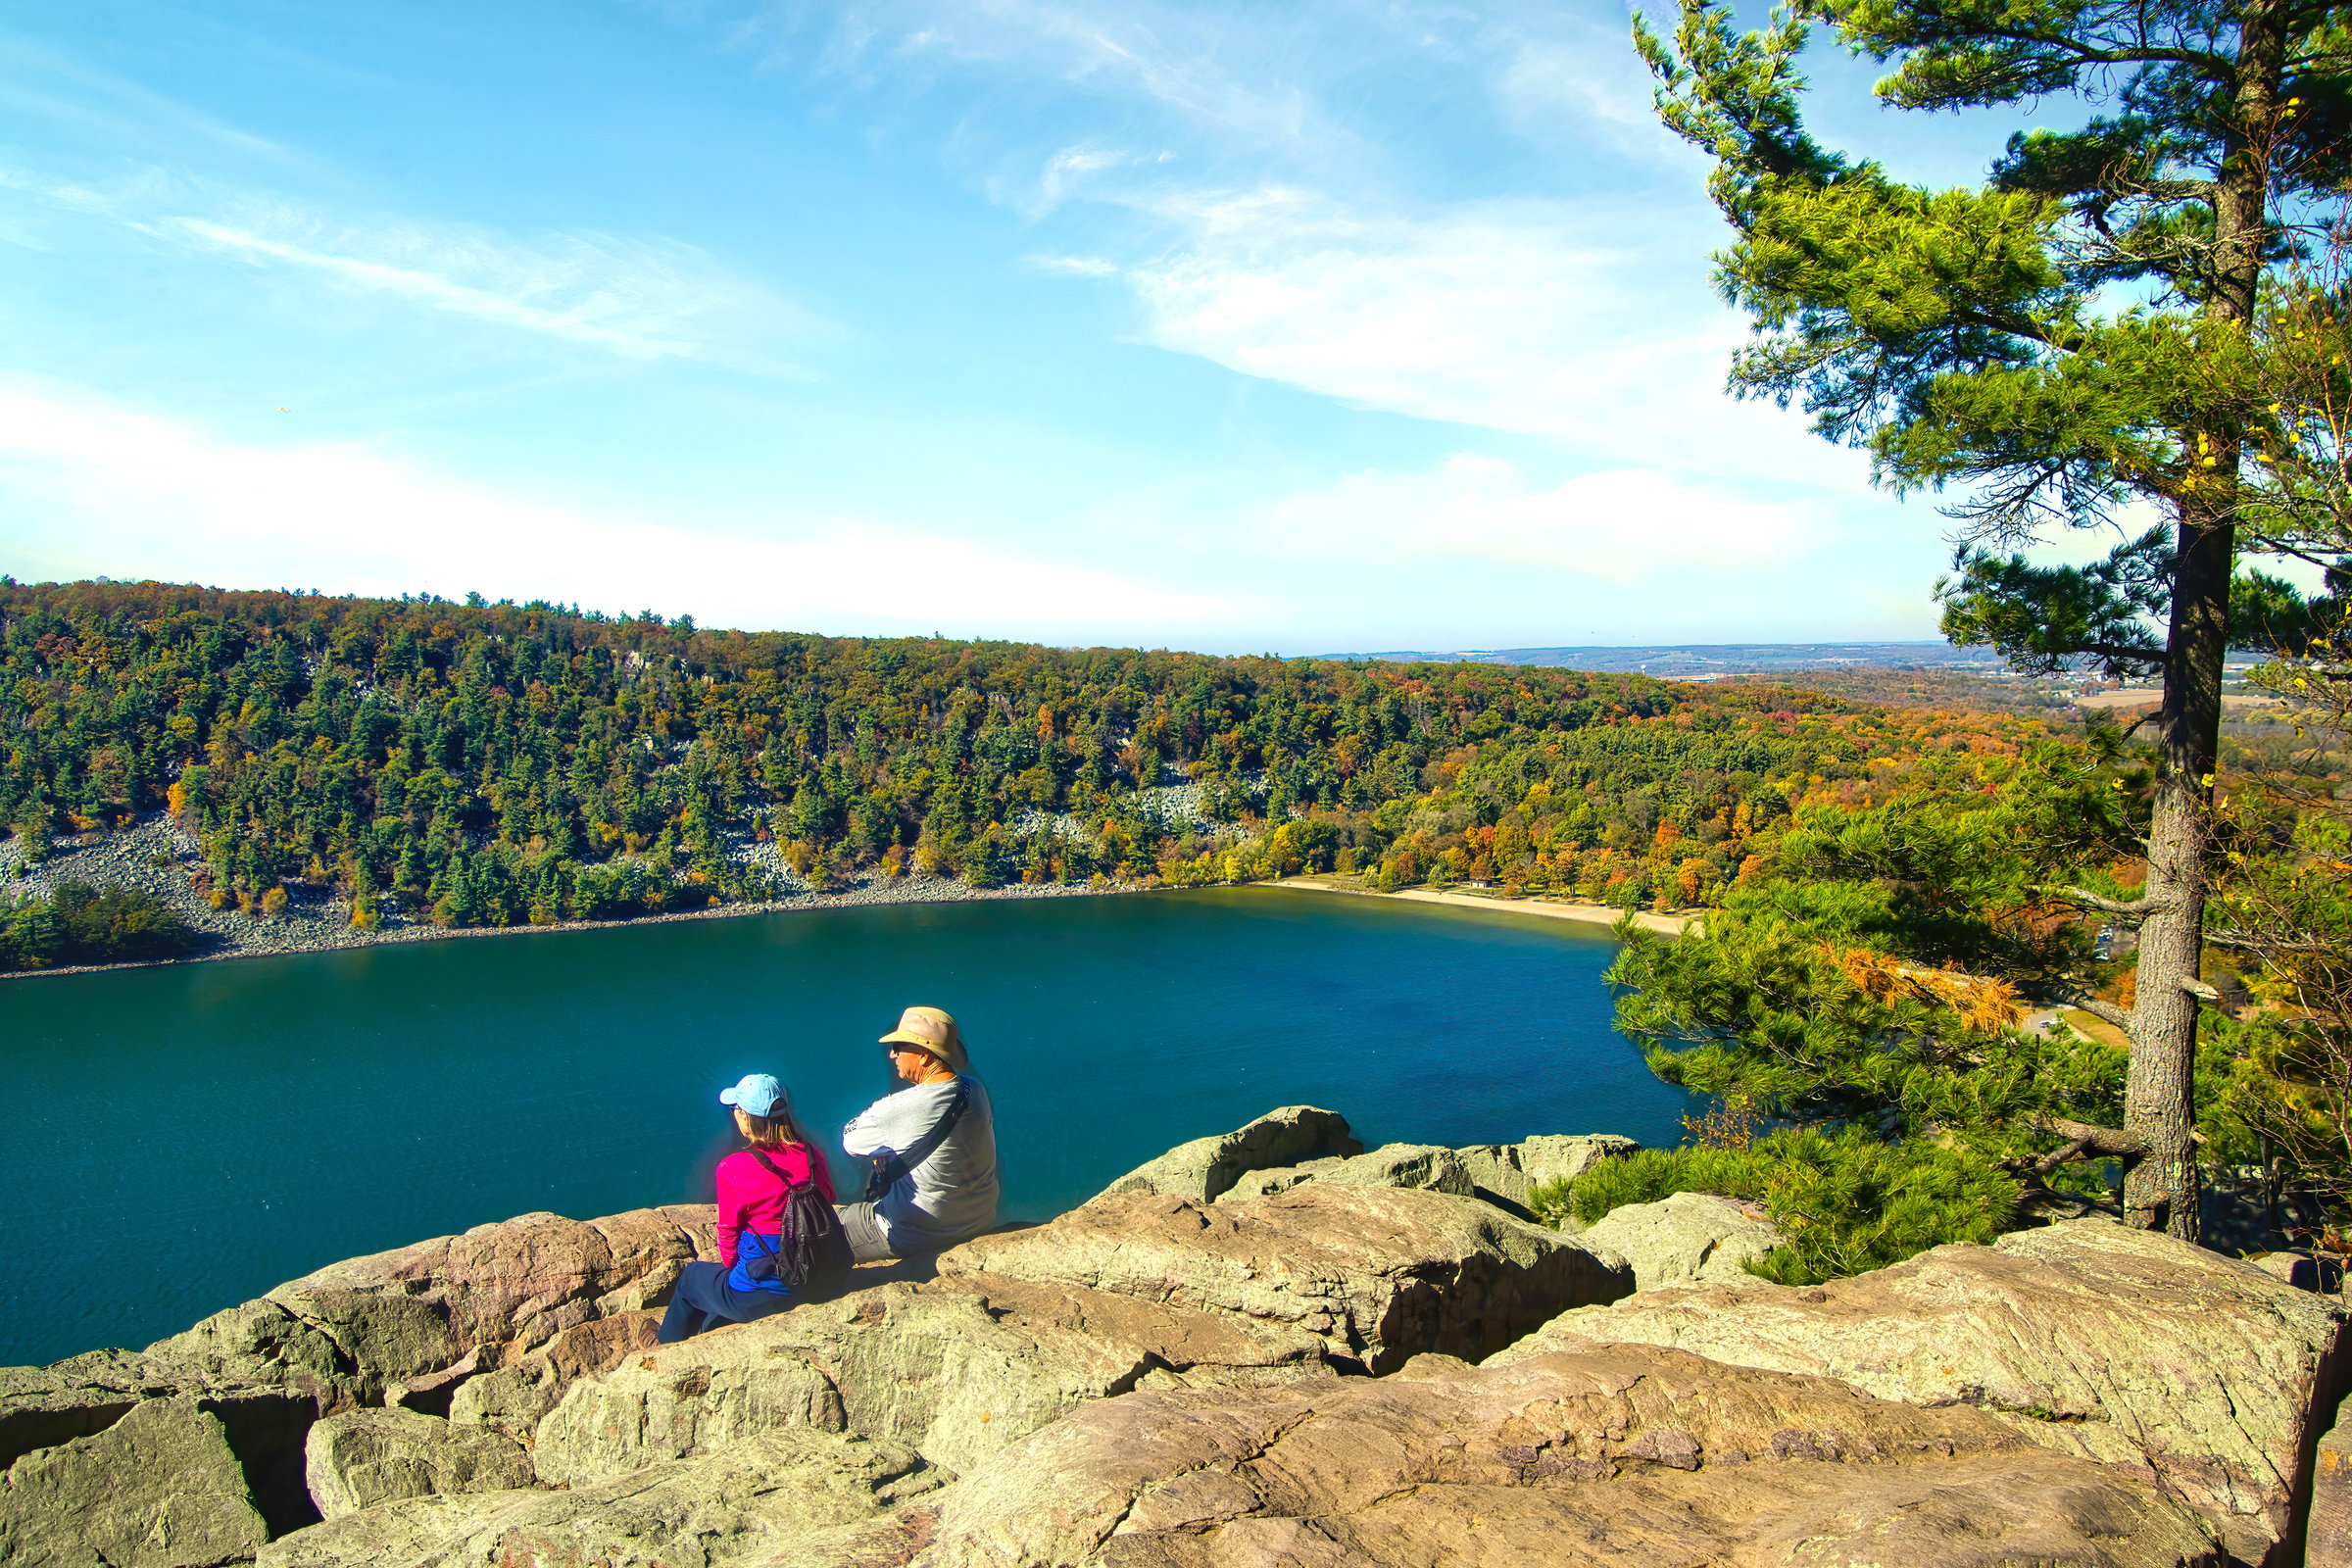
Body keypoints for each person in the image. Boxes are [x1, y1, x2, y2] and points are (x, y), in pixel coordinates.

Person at [660, 1072, 849, 1344]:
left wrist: (731, 1269)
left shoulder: (734, 1167)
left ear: (746, 1117)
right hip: (824, 1277)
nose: (735, 1114)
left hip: (770, 1290)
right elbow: (828, 1197)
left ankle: (664, 1347)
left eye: (736, 1109)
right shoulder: (811, 1154)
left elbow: (728, 1232)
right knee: (719, 1303)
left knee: (691, 1278)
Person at [835, 1005, 999, 1262]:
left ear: (923, 1055)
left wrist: (884, 1142)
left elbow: (851, 1143)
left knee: (812, 1229)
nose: (892, 1055)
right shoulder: (974, 1089)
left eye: (898, 1046)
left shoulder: (897, 1109)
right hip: (979, 1220)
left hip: (918, 1232)